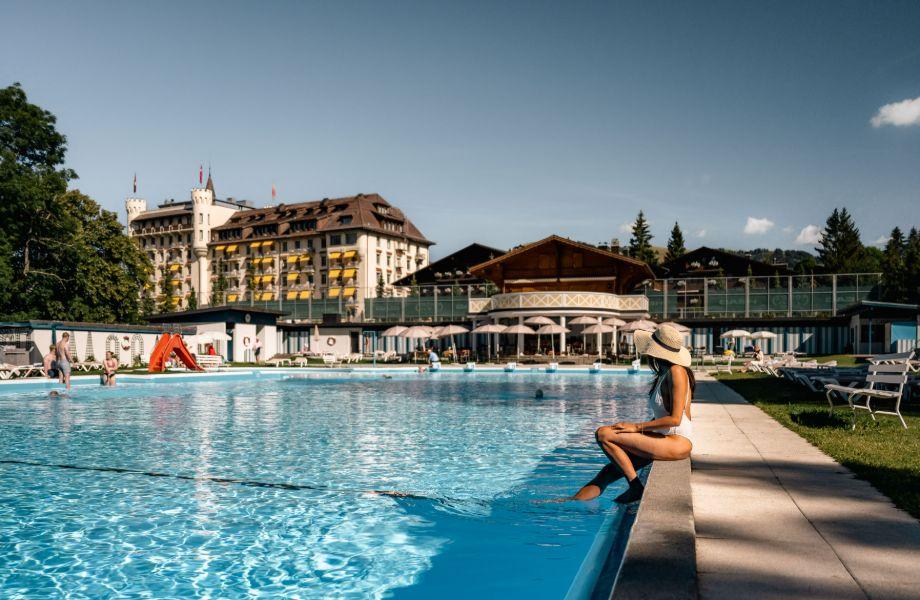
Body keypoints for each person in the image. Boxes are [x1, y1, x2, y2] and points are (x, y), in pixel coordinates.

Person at [573, 324, 694, 504]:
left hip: (677, 442)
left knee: (604, 434)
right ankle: (569, 504)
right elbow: (665, 416)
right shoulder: (665, 372)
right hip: (664, 438)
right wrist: (637, 431)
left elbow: (676, 419)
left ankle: (635, 487)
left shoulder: (677, 371)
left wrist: (636, 427)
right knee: (609, 471)